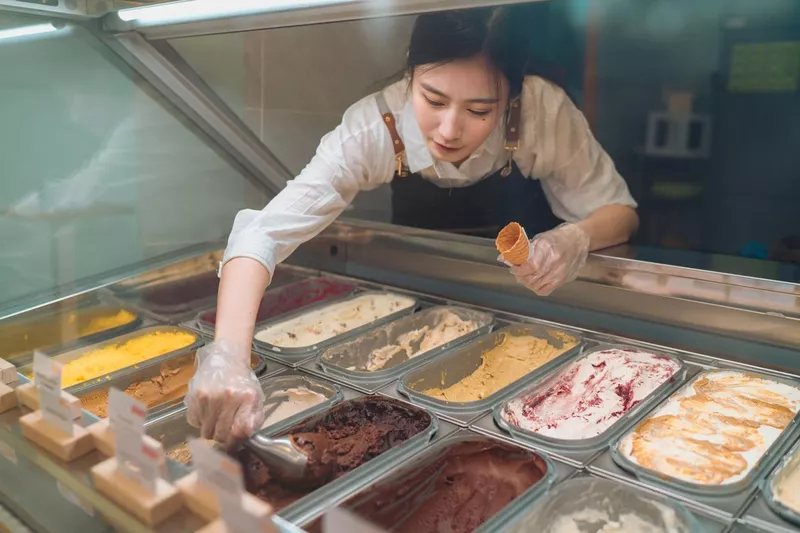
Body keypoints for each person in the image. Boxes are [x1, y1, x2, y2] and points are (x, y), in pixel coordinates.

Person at [185, 6, 639, 444]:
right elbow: (264, 232)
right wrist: (228, 355)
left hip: (527, 319)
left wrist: (574, 238)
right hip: (419, 319)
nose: (449, 128)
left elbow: (620, 211)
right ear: (410, 74)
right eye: (433, 99)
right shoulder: (374, 126)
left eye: (480, 111)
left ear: (513, 98)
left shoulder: (542, 111)